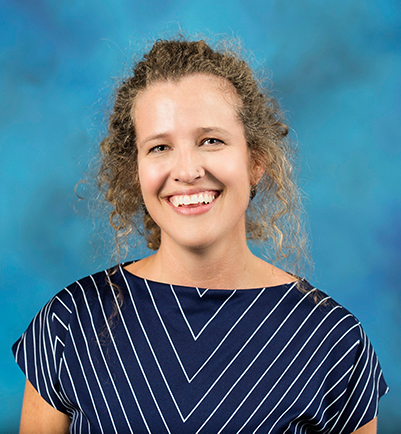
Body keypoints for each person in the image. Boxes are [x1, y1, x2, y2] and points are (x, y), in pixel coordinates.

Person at [13, 37, 388, 434]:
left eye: (211, 141)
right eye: (159, 147)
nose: (187, 170)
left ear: (256, 160)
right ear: (135, 171)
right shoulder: (69, 323)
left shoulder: (332, 340)